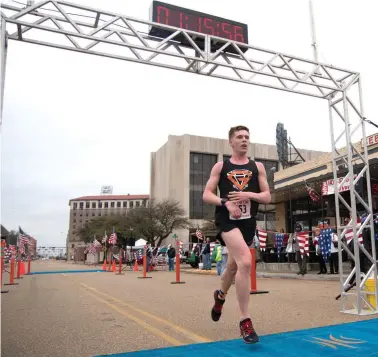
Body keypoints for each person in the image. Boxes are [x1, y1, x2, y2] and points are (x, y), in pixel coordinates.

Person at [202, 125, 271, 344]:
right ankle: (245, 320)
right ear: (231, 142)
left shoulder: (257, 166)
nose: (244, 140)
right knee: (245, 262)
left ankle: (220, 296)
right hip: (227, 220)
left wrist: (248, 194)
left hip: (247, 222)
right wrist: (225, 202)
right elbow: (206, 194)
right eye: (239, 137)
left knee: (232, 267)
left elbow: (267, 197)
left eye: (247, 137)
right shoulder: (221, 166)